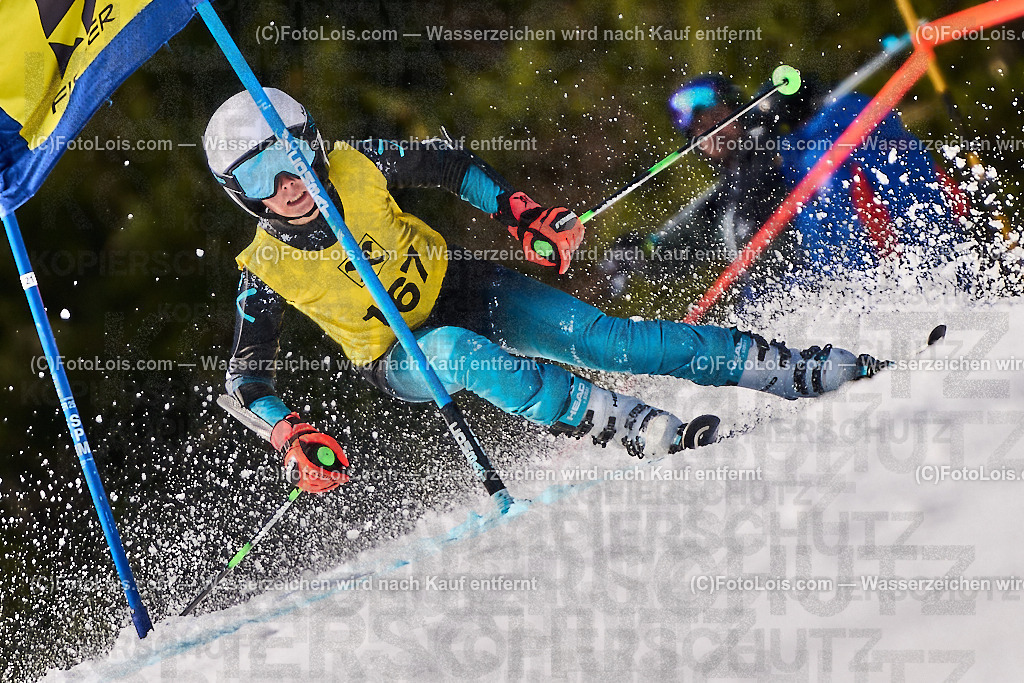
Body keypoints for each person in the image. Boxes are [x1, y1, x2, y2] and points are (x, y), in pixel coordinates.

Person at [203, 88, 885, 494]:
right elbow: (242, 379)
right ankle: (621, 423)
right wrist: (288, 433)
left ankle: (792, 368)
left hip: (467, 284)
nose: (287, 183)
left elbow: (448, 163)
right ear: (243, 194)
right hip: (402, 354)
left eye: (290, 154)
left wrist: (520, 214)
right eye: (262, 175)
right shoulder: (264, 267)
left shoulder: (355, 163)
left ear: (313, 144)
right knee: (456, 351)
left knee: (605, 337)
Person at [604, 73, 971, 302]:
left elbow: (854, 121)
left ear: (739, 112)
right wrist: (640, 251)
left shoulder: (783, 146)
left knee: (821, 162)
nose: (710, 133)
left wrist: (804, 98)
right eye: (698, 131)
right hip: (783, 316)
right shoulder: (721, 204)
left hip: (841, 282)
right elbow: (677, 241)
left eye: (717, 119)